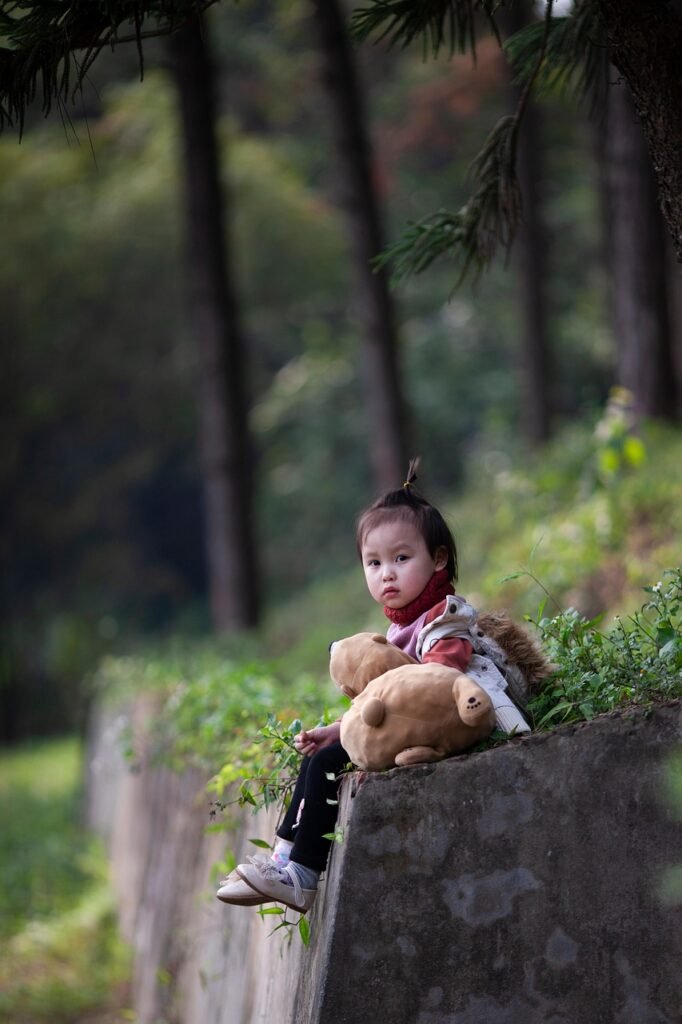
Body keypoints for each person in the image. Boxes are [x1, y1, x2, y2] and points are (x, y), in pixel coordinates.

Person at [216, 460, 516, 914]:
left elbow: (435, 684)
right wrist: (338, 729)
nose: (386, 574)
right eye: (373, 563)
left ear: (437, 558)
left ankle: (301, 874)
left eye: (401, 558)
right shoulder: (400, 630)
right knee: (321, 755)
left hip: (448, 723)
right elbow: (386, 700)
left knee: (329, 767)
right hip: (407, 727)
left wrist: (351, 735)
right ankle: (282, 859)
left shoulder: (444, 621)